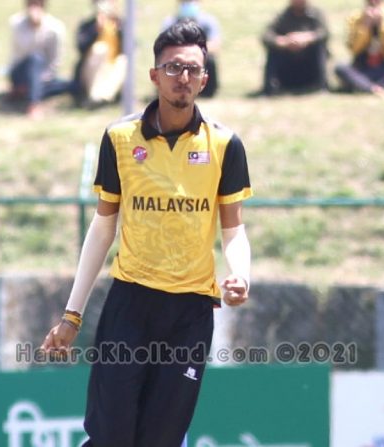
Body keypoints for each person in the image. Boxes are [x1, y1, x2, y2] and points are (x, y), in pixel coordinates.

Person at [41, 21, 253, 446]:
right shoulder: (120, 138)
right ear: (155, 74)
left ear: (205, 79)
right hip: (131, 305)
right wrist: (72, 315)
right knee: (111, 436)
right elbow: (103, 226)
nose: (183, 77)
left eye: (193, 69)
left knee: (162, 439)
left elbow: (233, 229)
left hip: (190, 313)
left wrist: (241, 276)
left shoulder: (224, 144)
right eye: (173, 67)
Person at [334, 0, 384, 98]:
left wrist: (383, 26)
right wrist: (365, 26)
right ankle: (373, 89)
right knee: (340, 68)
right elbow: (354, 50)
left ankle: (371, 87)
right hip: (363, 68)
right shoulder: (356, 17)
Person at [7, 0, 71, 119]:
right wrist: (34, 28)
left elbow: (55, 60)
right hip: (21, 71)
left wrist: (41, 79)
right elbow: (18, 54)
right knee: (35, 58)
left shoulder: (55, 28)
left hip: (44, 75)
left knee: (71, 85)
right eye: (31, 4)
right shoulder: (17, 23)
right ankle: (33, 104)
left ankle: (27, 91)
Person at [260, 0, 329, 95]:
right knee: (273, 48)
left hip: (309, 68)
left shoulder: (316, 14)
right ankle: (269, 89)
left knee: (319, 46)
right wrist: (284, 41)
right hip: (288, 68)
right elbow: (266, 36)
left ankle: (321, 86)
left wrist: (307, 38)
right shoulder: (282, 16)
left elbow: (324, 33)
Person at [71, 0, 128, 108]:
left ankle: (103, 97)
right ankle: (95, 97)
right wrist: (96, 30)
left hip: (112, 69)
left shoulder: (120, 24)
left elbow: (132, 47)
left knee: (123, 60)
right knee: (100, 49)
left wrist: (120, 28)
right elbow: (81, 47)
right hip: (91, 71)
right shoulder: (87, 25)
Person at [162, 0, 221, 97]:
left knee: (210, 60)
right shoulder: (170, 22)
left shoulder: (208, 22)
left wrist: (193, 51)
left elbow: (215, 46)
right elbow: (163, 46)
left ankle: (206, 91)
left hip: (200, 59)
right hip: (177, 58)